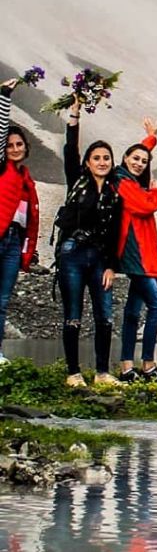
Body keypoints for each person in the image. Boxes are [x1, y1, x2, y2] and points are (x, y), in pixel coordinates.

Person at [56, 98, 122, 386]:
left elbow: (116, 232)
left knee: (104, 314)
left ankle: (103, 372)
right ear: (87, 163)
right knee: (73, 314)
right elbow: (70, 150)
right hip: (72, 252)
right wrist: (74, 114)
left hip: (99, 257)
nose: (102, 162)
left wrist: (112, 267)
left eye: (106, 158)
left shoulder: (115, 193)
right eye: (96, 158)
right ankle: (73, 373)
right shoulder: (77, 181)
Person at [114, 118, 157, 382]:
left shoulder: (128, 179)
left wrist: (150, 139)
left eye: (144, 161)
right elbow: (144, 205)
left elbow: (139, 154)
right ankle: (147, 364)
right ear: (124, 158)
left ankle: (126, 367)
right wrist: (156, 192)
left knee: (133, 311)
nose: (139, 164)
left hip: (142, 254)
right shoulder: (123, 182)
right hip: (136, 255)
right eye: (135, 159)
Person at [0, 79, 39, 367]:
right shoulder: (2, 169)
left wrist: (27, 251)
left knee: (2, 300)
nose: (14, 148)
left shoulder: (27, 180)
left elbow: (29, 223)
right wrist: (4, 97)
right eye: (10, 145)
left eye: (19, 144)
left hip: (13, 242)